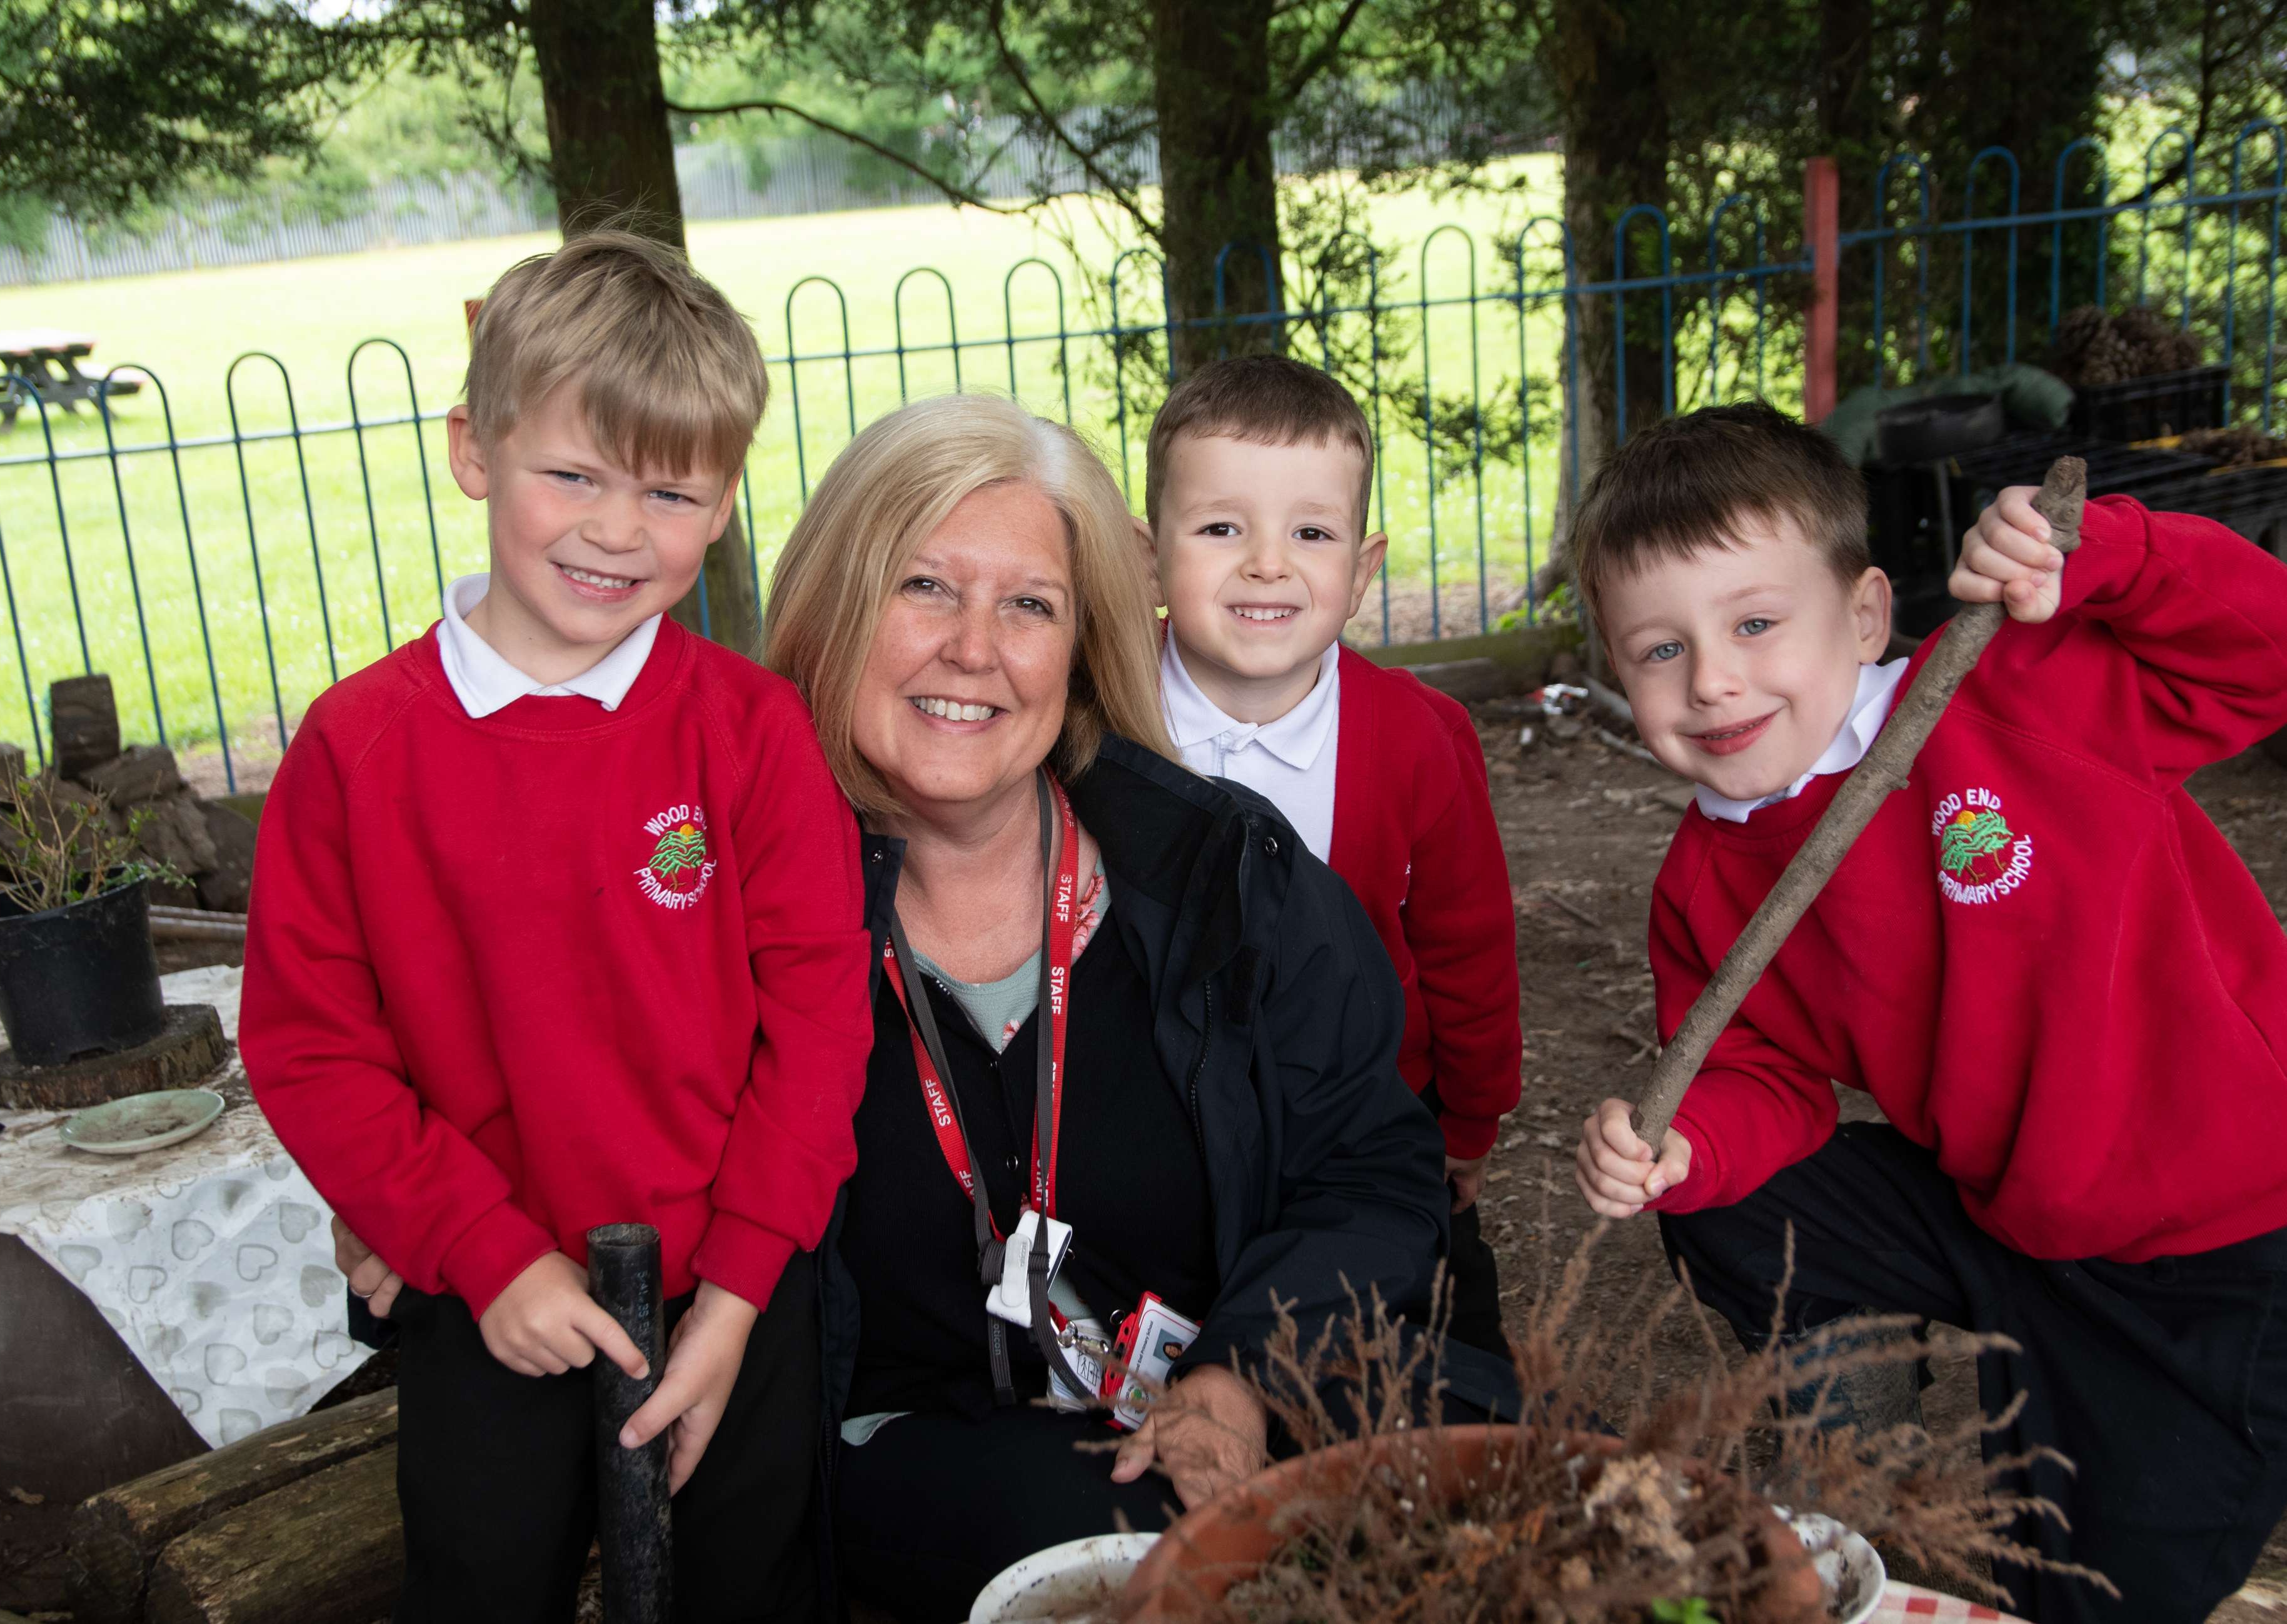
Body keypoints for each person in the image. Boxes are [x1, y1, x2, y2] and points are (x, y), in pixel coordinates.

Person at [762, 392, 1514, 1623]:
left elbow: (1370, 1166)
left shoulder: (1221, 876)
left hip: (1221, 1393)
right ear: (832, 609)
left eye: (1029, 605)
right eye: (923, 586)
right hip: (921, 1449)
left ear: (1082, 645)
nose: (973, 648)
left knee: (1535, 1495)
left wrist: (1240, 1369)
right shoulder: (741, 907)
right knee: (1133, 1552)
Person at [1565, 401, 2287, 1624]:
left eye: (1753, 623)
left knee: (2086, 1596)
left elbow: (2261, 654)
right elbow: (1763, 1073)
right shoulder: (1703, 880)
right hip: (2005, 1219)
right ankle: (1860, 1435)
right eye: (1658, 649)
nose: (1712, 679)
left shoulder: (2020, 690)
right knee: (1727, 1199)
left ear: (1862, 615)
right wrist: (1685, 1143)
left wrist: (2108, 556)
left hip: (2218, 1240)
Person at [243, 231, 871, 1624]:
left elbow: (822, 1022)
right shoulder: (357, 749)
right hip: (490, 1295)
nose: (616, 530)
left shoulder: (752, 733)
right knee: (482, 1588)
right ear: (474, 450)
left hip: (735, 1295)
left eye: (669, 492)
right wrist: (481, 1250)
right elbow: (310, 1049)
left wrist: (738, 1293)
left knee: (752, 1592)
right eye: (573, 475)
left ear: (721, 504)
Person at [1139, 354, 1521, 1358]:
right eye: (1221, 529)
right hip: (1164, 1124)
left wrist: (1468, 1123)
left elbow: (1469, 949)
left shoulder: (1420, 738)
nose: (1268, 565)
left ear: (1361, 569)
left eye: (1310, 533)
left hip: (1372, 1116)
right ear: (1146, 558)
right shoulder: (1104, 720)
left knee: (1437, 1353)